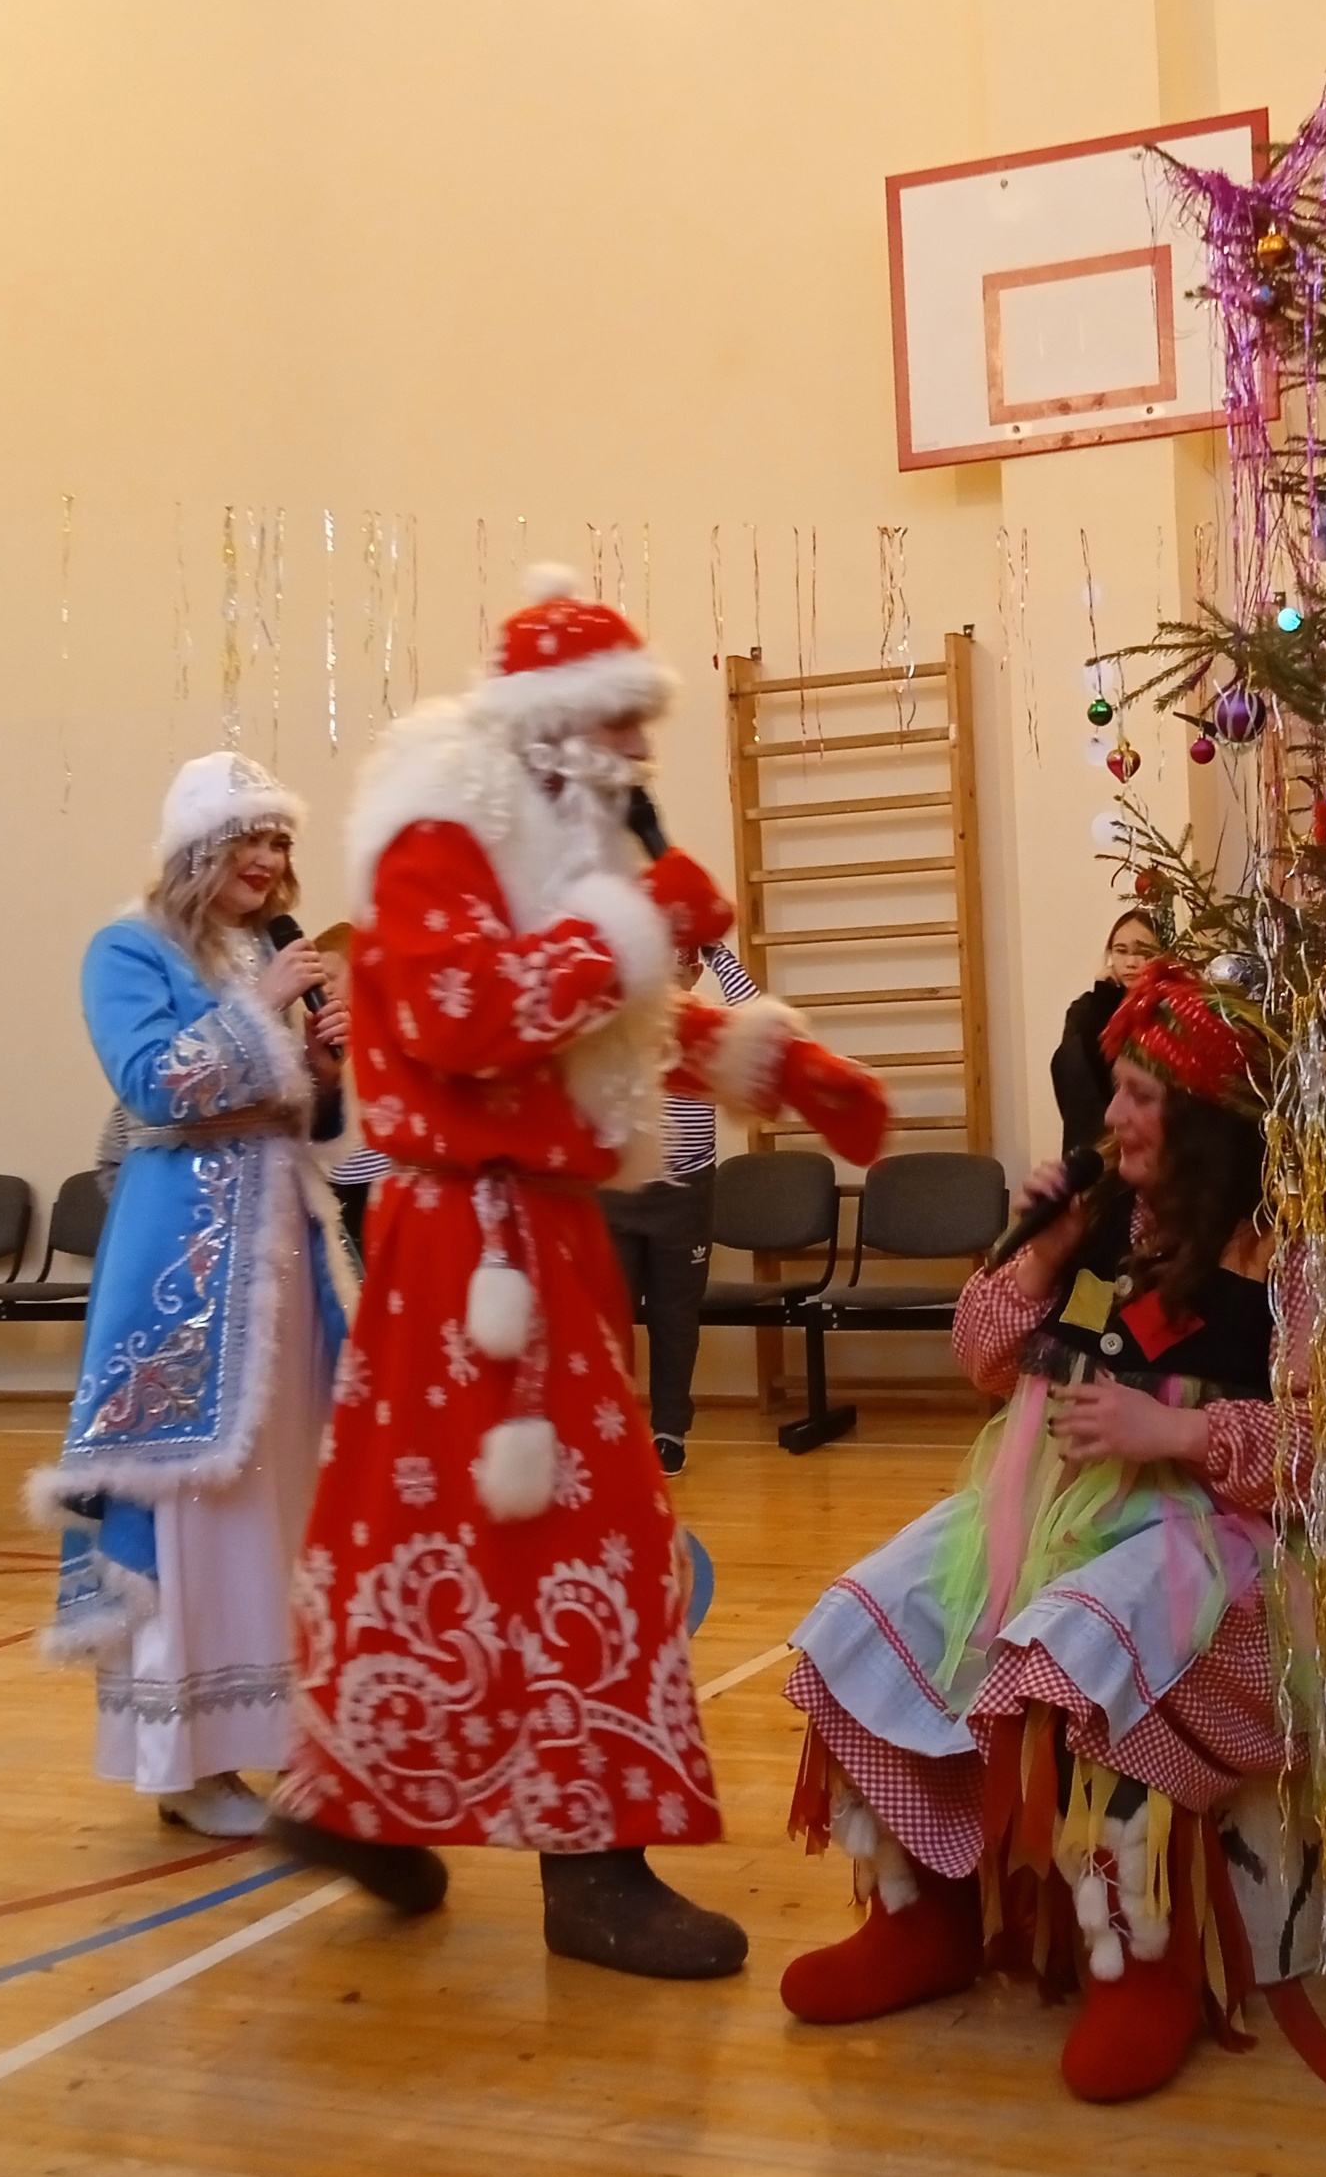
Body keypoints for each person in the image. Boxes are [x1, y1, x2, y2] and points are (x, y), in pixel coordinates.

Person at [268, 566, 890, 1977]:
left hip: (524, 1234)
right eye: (616, 729)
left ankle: (364, 1798)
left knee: (423, 1535)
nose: (636, 760)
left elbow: (606, 1026)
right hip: (470, 1247)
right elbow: (464, 1011)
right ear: (546, 733)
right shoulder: (436, 837)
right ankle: (592, 1866)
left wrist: (779, 1062)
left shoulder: (546, 857)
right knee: (584, 1533)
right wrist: (642, 927)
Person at [777, 959, 1326, 2102]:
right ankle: (919, 1914)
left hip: (1221, 1535)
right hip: (1057, 1510)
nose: (1110, 1116)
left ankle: (1145, 1961)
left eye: (1137, 1095)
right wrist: (1040, 1246)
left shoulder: (1293, 1267)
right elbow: (988, 1358)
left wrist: (1171, 1432)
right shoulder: (1109, 1236)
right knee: (863, 1615)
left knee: (1079, 1644)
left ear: (1207, 1123)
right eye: (1114, 1091)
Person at [32, 753, 354, 1841]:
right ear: (196, 850)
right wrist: (263, 1013)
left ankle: (270, 1735)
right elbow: (150, 1084)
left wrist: (322, 1059)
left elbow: (307, 1115)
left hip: (282, 1262)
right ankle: (185, 1758)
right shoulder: (125, 947)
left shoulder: (264, 948)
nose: (270, 862)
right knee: (193, 1510)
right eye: (248, 841)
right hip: (183, 1274)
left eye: (279, 842)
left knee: (277, 1500)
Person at [599, 937, 759, 1476]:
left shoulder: (711, 1030)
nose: (675, 968)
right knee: (610, 1316)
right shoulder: (618, 1020)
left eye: (684, 961)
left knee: (675, 1317)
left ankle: (669, 1430)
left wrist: (717, 952)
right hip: (617, 1190)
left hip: (685, 1193)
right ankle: (613, 1428)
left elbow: (758, 1021)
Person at [306, 921, 394, 1267]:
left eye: (329, 977)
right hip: (342, 1187)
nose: (321, 991)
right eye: (314, 983)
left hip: (383, 1182)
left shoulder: (388, 1039)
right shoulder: (323, 1048)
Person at [1049, 910, 1162, 1158]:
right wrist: (1104, 998)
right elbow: (1087, 1074)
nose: (1131, 962)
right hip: (1093, 1137)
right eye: (1121, 951)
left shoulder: (1168, 1009)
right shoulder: (1086, 1009)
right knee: (1070, 1054)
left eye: (1143, 952)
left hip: (1147, 1139)